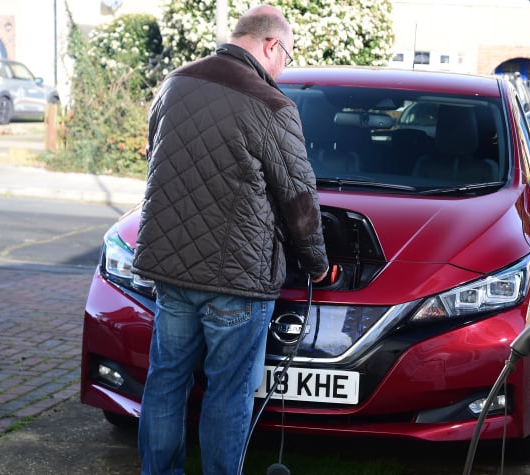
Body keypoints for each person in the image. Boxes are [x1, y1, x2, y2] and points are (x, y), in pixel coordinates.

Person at [131, 5, 329, 474]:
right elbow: (299, 199)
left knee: (165, 383)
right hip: (237, 280)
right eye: (287, 56)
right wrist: (316, 262)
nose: (284, 68)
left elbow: (156, 151)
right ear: (269, 45)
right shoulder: (272, 104)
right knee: (229, 392)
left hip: (171, 271)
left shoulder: (176, 82)